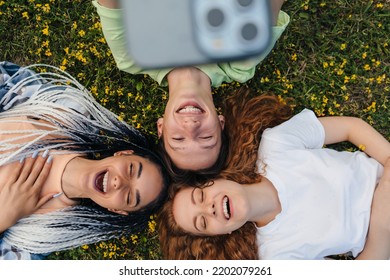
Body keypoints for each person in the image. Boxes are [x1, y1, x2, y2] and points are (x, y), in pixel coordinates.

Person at [157, 88, 390, 260]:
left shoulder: (276, 144)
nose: (210, 208)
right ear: (221, 234)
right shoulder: (277, 256)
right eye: (203, 222)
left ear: (216, 179)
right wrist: (382, 222)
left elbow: (351, 128)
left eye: (200, 197)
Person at [92, 0, 290, 176]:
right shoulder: (240, 62)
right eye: (206, 137)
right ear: (221, 123)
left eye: (178, 138)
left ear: (161, 128)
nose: (191, 125)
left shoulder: (131, 57)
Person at [0, 61, 170, 259]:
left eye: (130, 197)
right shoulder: (69, 112)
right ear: (123, 154)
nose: (119, 182)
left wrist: (5, 216)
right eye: (131, 170)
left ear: (116, 209)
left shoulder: (45, 234)